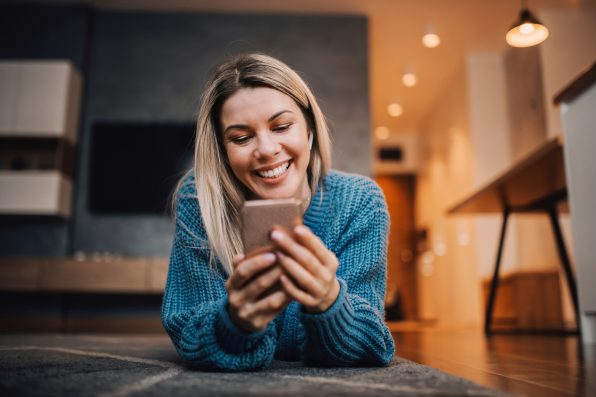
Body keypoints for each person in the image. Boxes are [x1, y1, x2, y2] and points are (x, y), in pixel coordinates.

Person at [161, 53, 395, 371]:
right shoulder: (200, 199)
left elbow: (373, 344)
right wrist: (234, 322)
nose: (267, 150)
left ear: (309, 131)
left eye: (282, 126)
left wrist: (330, 301)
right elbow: (190, 331)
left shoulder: (360, 202)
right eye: (241, 138)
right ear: (223, 152)